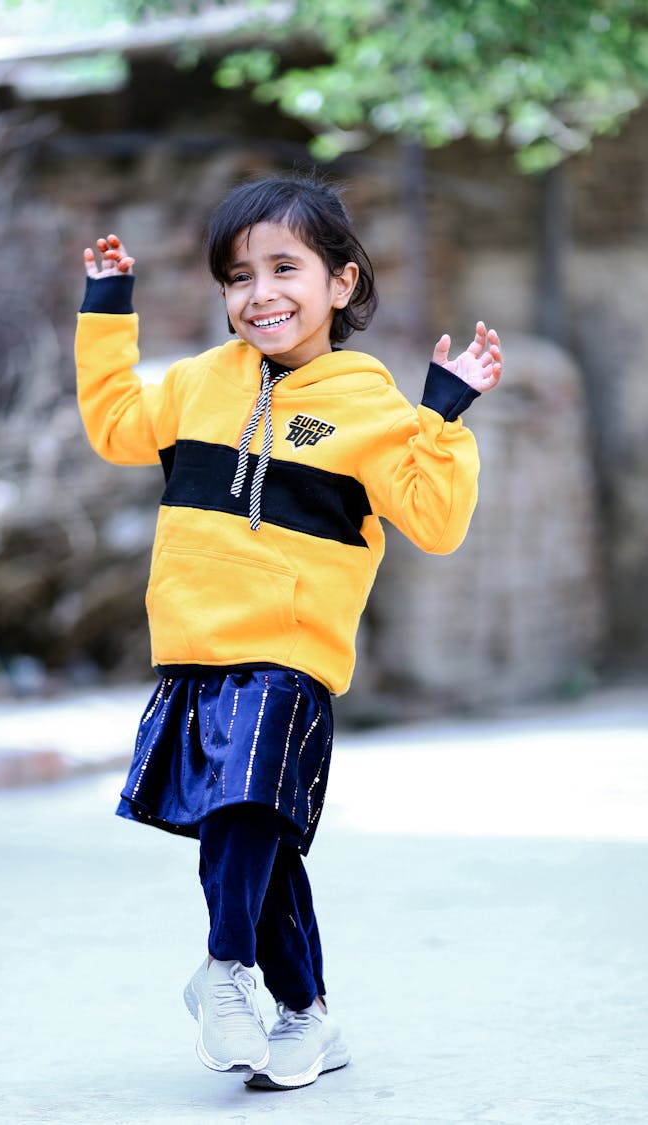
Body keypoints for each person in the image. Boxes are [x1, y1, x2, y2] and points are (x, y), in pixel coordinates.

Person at [74, 171, 502, 1090]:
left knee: (244, 805)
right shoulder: (196, 385)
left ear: (340, 282)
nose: (260, 293)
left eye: (284, 268)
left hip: (290, 658)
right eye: (238, 276)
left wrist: (442, 414)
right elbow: (113, 423)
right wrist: (107, 308)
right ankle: (307, 1015)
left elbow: (435, 519)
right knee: (255, 830)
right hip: (196, 652)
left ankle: (224, 970)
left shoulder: (372, 405)